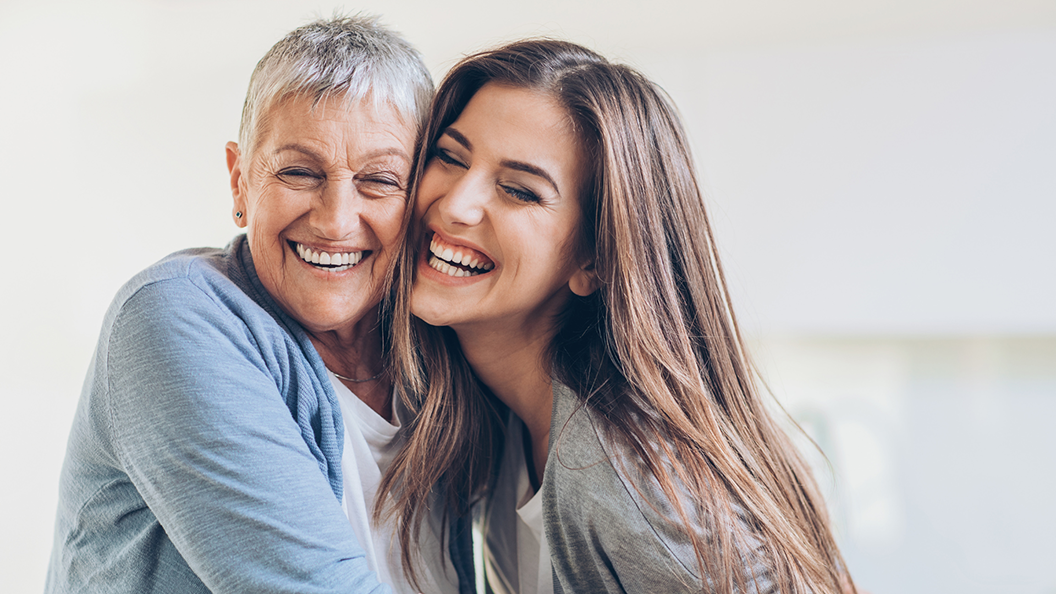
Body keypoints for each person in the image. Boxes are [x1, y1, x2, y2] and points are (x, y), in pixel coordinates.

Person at [380, 40, 858, 593]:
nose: (455, 204)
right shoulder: (504, 426)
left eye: (519, 191)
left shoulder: (623, 472)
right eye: (450, 157)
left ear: (594, 260)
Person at [45, 16, 470, 594]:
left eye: (379, 180)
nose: (336, 221)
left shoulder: (437, 346)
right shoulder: (173, 318)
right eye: (299, 172)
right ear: (240, 180)